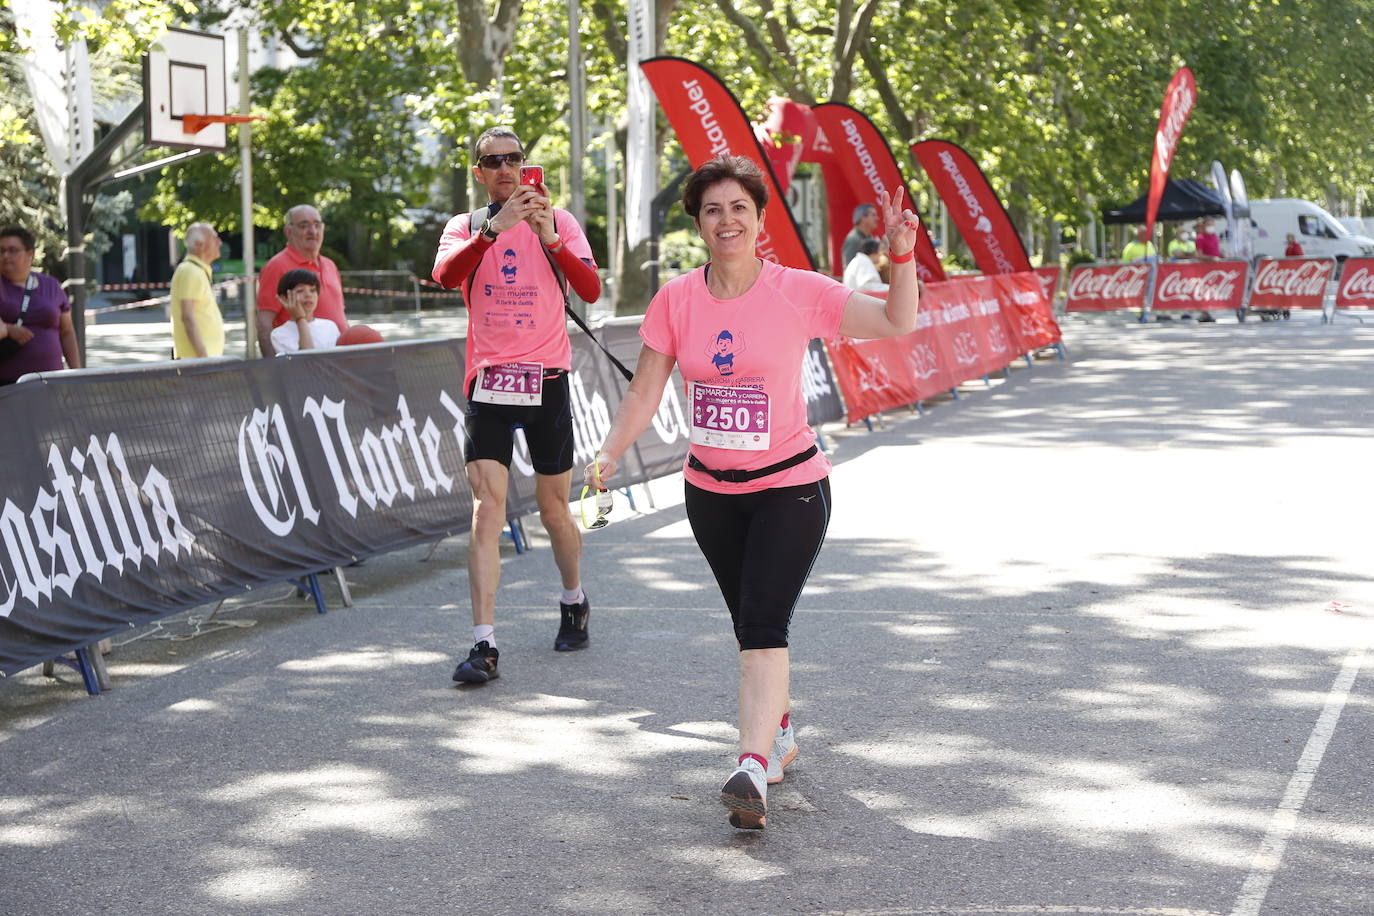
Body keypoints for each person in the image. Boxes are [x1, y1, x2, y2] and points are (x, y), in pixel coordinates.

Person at [584, 155, 919, 830]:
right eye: (713, 210)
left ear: (760, 219)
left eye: (739, 207)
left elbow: (895, 322)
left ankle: (751, 769)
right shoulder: (677, 299)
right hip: (710, 494)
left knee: (764, 627)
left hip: (791, 488)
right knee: (749, 625)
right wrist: (609, 451)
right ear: (699, 224)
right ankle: (781, 731)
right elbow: (646, 388)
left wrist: (903, 259)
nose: (726, 220)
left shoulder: (799, 290)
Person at [432, 126, 602, 684]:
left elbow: (590, 289)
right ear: (478, 172)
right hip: (490, 381)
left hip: (547, 377)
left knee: (554, 509)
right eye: (492, 161)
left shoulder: (561, 220)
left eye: (514, 159)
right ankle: (484, 645)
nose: (505, 168)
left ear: (526, 165)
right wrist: (490, 232)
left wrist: (549, 235)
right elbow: (444, 275)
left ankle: (573, 598)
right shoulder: (465, 227)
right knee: (488, 510)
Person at [256, 204, 346, 357]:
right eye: (304, 225)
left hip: (337, 364)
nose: (312, 231)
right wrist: (272, 371)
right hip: (298, 363)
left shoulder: (330, 265)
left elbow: (340, 315)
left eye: (317, 225)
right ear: (288, 231)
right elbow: (264, 325)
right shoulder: (277, 266)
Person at [0, 226, 81, 385]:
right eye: (1, 250)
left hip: (50, 381)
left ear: (30, 253)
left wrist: (77, 373)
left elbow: (66, 332)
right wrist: (8, 329)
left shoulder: (51, 285)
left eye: (13, 250)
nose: (6, 256)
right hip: (6, 385)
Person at [170, 222, 224, 358]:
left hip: (198, 363)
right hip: (197, 365)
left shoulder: (195, 270)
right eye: (214, 238)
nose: (220, 242)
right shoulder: (191, 271)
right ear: (200, 244)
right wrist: (204, 360)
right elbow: (188, 317)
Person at [270, 269, 341, 353]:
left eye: (312, 290)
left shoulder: (330, 326)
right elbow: (306, 361)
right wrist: (300, 319)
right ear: (284, 298)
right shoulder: (279, 334)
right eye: (300, 290)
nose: (308, 295)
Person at [841, 202, 881, 268]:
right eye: (873, 215)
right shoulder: (853, 240)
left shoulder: (869, 237)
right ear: (863, 218)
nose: (877, 218)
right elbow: (849, 268)